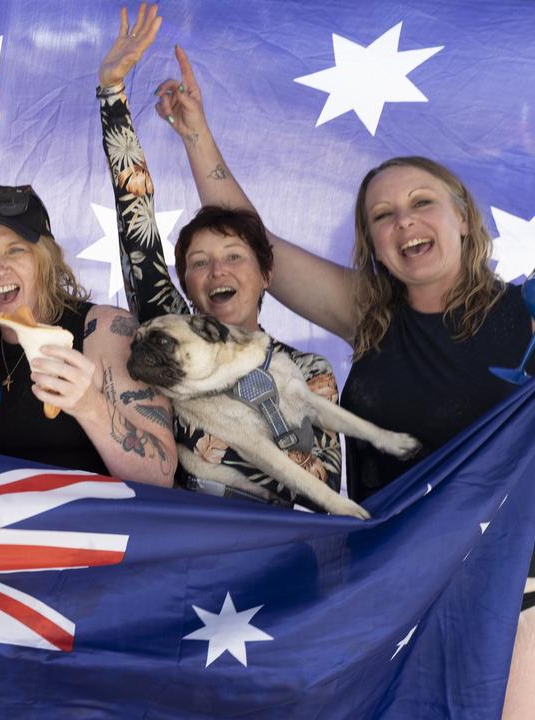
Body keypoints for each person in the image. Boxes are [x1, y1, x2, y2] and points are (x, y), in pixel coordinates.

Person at [152, 38, 535, 718]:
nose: (404, 221)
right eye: (383, 215)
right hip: (397, 590)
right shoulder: (371, 316)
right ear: (372, 243)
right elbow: (252, 239)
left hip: (516, 592)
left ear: (463, 218)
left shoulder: (529, 312)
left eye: (422, 203)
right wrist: (196, 134)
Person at [98, 5, 343, 510]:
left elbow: (325, 491)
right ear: (186, 284)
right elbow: (134, 210)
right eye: (201, 262)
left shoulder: (306, 367)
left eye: (234, 256)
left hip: (264, 571)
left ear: (265, 274)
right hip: (170, 563)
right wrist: (112, 93)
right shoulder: (166, 330)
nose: (218, 271)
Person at [0, 181, 176, 487]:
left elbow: (160, 474)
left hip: (93, 529)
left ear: (46, 261)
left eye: (16, 250)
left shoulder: (103, 330)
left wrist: (88, 405)